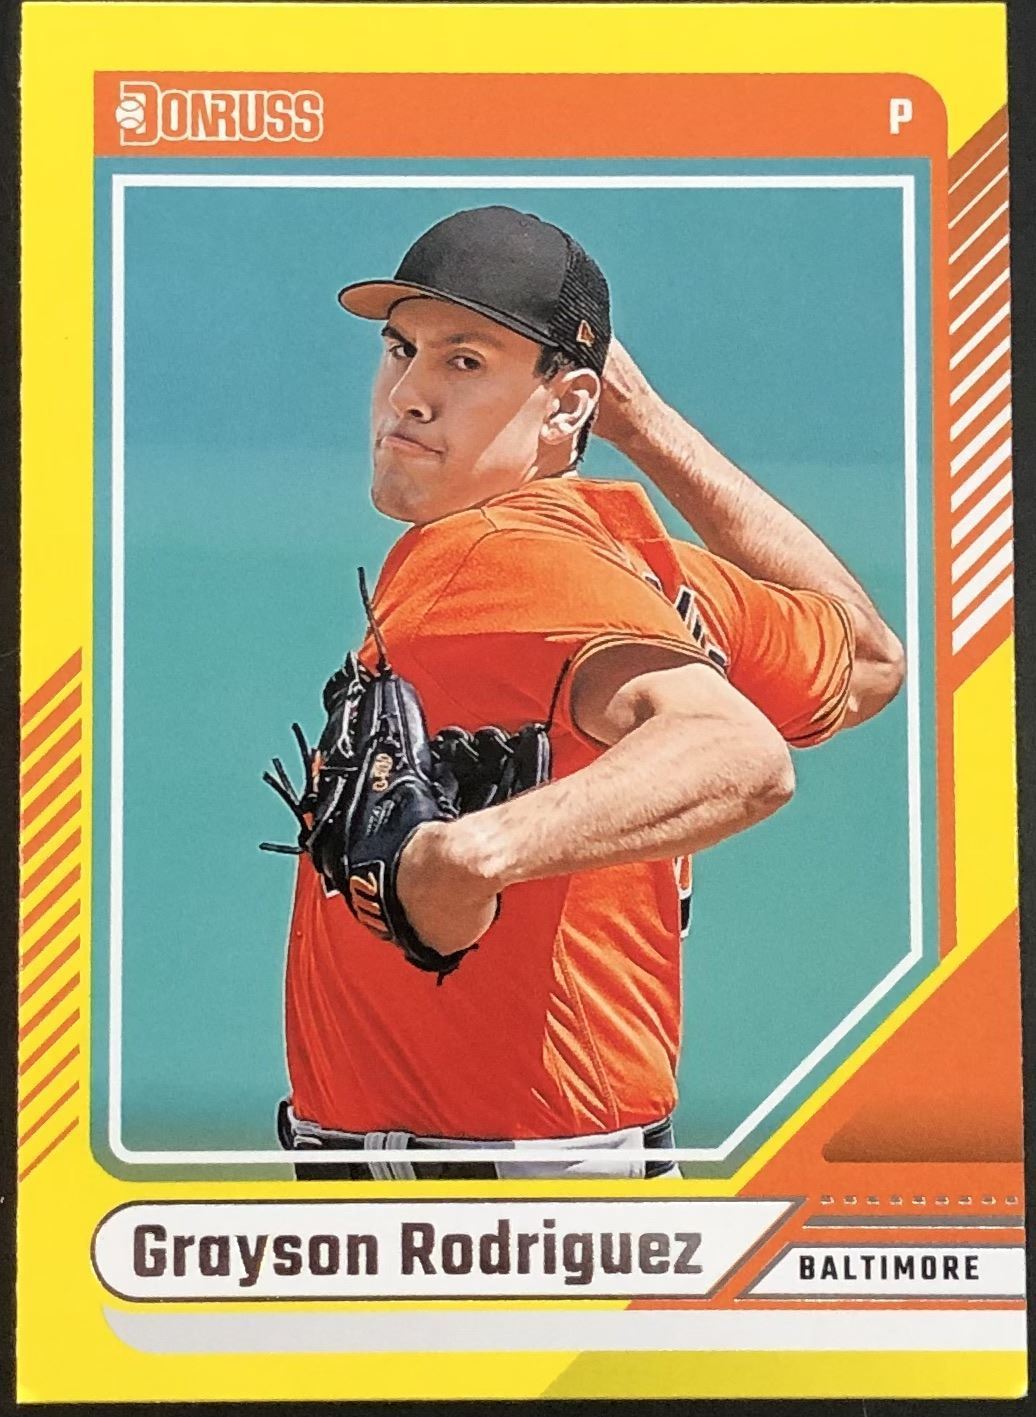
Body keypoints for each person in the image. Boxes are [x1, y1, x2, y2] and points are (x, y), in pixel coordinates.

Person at [276, 205, 904, 1181]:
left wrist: (472, 852)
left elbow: (738, 752)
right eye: (401, 349)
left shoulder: (492, 551)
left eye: (465, 361)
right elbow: (865, 662)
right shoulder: (640, 566)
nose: (407, 394)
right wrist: (645, 425)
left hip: (479, 1213)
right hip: (575, 1184)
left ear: (568, 404)